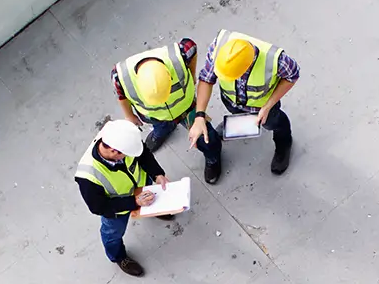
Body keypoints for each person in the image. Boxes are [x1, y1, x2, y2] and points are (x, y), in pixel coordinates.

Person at [113, 38, 224, 184]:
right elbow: (121, 95)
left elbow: (192, 48)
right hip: (156, 115)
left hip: (187, 108)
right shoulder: (121, 76)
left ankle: (212, 157)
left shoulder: (181, 54)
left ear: (168, 74)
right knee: (160, 126)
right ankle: (164, 130)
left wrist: (192, 74)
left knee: (205, 136)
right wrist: (129, 115)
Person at [193, 30, 298, 176]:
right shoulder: (219, 49)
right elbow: (206, 79)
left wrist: (268, 106)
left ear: (246, 69)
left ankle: (284, 144)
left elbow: (292, 75)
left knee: (276, 123)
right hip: (232, 101)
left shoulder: (275, 60)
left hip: (263, 108)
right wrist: (199, 116)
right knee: (237, 115)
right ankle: (238, 122)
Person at [74, 119, 166, 278]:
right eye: (126, 154)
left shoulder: (123, 141)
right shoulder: (87, 176)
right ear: (114, 152)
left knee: (152, 200)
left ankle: (154, 209)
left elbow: (144, 155)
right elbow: (98, 207)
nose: (130, 155)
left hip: (143, 186)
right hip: (117, 209)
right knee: (112, 234)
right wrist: (134, 202)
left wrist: (157, 174)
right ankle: (119, 257)